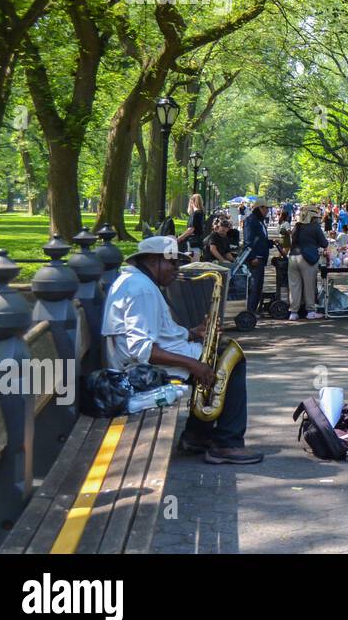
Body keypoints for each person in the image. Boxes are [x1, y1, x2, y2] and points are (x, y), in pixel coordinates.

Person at [101, 236, 262, 464]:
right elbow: (142, 351)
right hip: (141, 370)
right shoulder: (142, 290)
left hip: (144, 363)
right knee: (232, 362)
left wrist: (193, 332)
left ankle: (198, 435)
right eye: (172, 263)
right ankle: (227, 443)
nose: (177, 270)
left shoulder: (139, 283)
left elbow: (157, 332)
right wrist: (194, 364)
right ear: (152, 260)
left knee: (218, 353)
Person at [288, 205, 327, 321]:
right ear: (313, 217)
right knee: (309, 286)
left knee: (294, 286)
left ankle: (293, 313)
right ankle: (310, 311)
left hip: (293, 257)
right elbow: (324, 243)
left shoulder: (297, 226)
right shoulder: (315, 227)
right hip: (307, 259)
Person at [243, 201, 272, 319]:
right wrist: (252, 256)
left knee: (258, 285)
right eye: (266, 208)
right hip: (255, 258)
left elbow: (261, 238)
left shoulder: (259, 221)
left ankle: (253, 309)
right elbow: (248, 239)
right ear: (259, 208)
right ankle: (250, 310)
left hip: (261, 257)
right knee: (254, 286)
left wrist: (269, 243)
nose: (267, 211)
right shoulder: (251, 220)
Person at [178, 193, 206, 261]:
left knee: (192, 264)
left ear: (191, 202)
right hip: (199, 241)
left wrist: (179, 238)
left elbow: (191, 229)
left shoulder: (195, 214)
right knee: (196, 263)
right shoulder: (202, 213)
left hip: (192, 242)